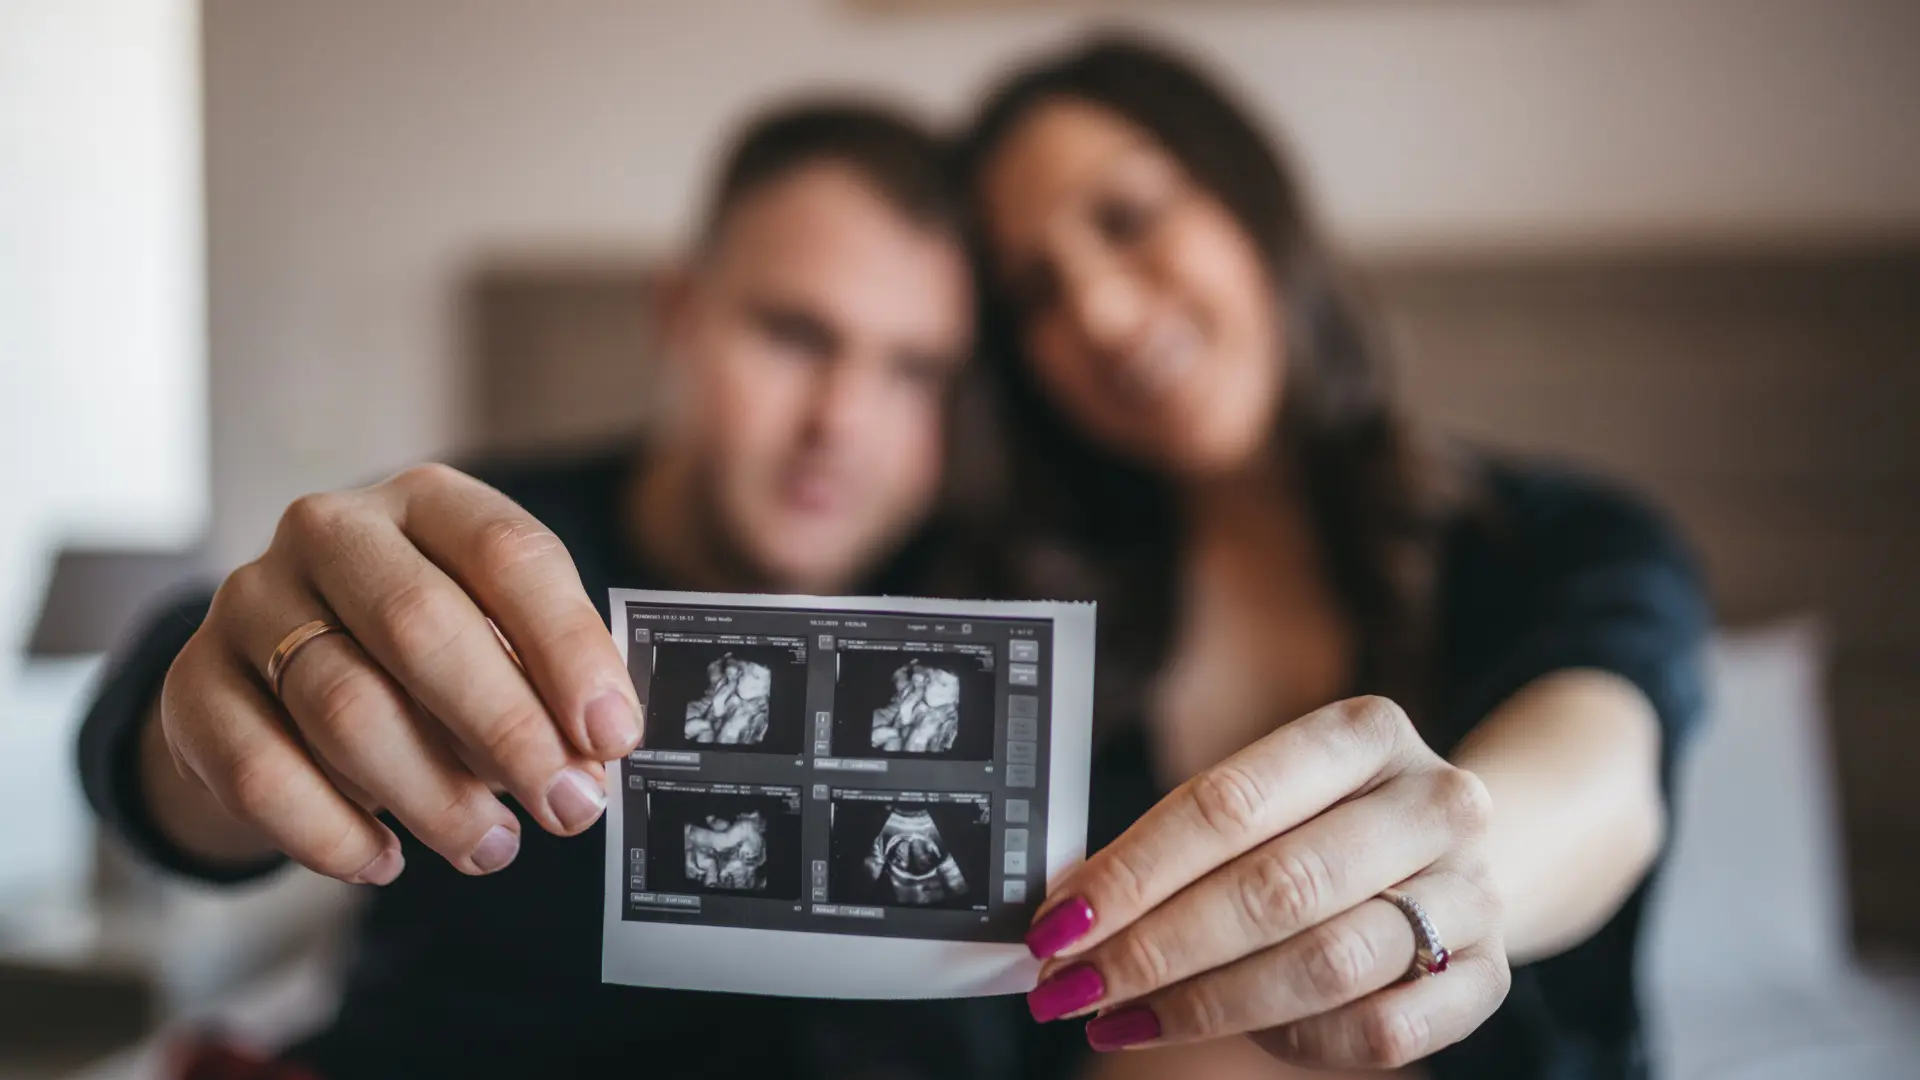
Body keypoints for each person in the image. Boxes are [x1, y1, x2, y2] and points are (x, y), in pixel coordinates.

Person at [78, 100, 998, 1080]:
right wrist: (215, 727)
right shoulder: (481, 534)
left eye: (916, 370)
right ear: (679, 312)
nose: (843, 422)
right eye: (795, 335)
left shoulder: (1003, 609)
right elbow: (152, 732)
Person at [950, 36, 1710, 1080]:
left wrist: (1460, 877)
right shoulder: (998, 614)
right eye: (1036, 292)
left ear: (1250, 201)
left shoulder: (1557, 539)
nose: (1103, 314)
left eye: (1128, 219)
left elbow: (1605, 777)